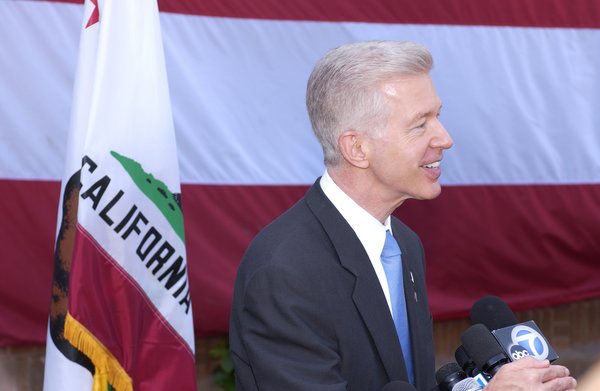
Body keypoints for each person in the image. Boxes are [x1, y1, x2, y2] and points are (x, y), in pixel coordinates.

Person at [229, 40, 577, 391]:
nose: (445, 138)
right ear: (357, 148)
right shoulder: (283, 271)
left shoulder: (404, 245)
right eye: (419, 124)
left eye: (437, 116)